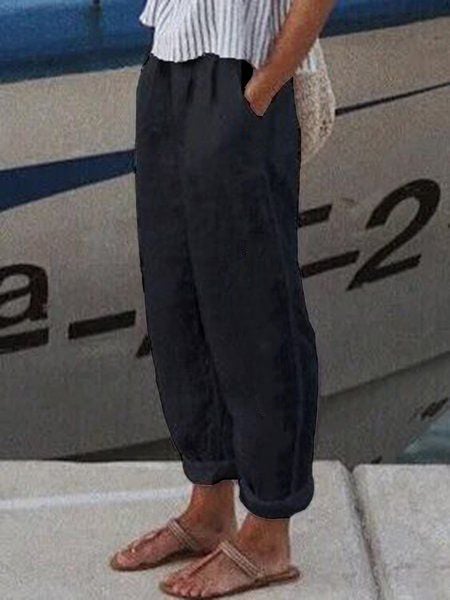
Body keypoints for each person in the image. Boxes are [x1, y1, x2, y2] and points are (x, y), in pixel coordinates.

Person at [110, 0, 336, 597]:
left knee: (256, 308)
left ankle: (268, 532)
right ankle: (210, 507)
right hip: (168, 64)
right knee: (178, 296)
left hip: (243, 72)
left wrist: (261, 90)